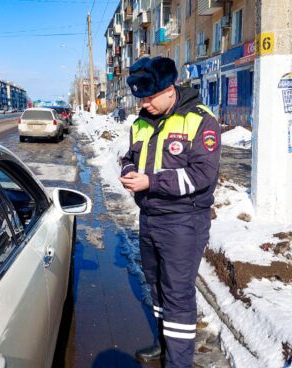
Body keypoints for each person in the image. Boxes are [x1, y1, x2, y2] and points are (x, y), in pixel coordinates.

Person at [118, 56, 221, 367]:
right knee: (157, 286)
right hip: (149, 218)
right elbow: (129, 156)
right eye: (141, 98)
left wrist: (150, 181)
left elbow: (202, 176)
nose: (144, 104)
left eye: (150, 97)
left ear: (169, 89)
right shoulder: (141, 123)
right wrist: (128, 171)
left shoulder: (200, 120)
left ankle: (178, 362)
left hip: (183, 221)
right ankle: (164, 344)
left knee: (177, 294)